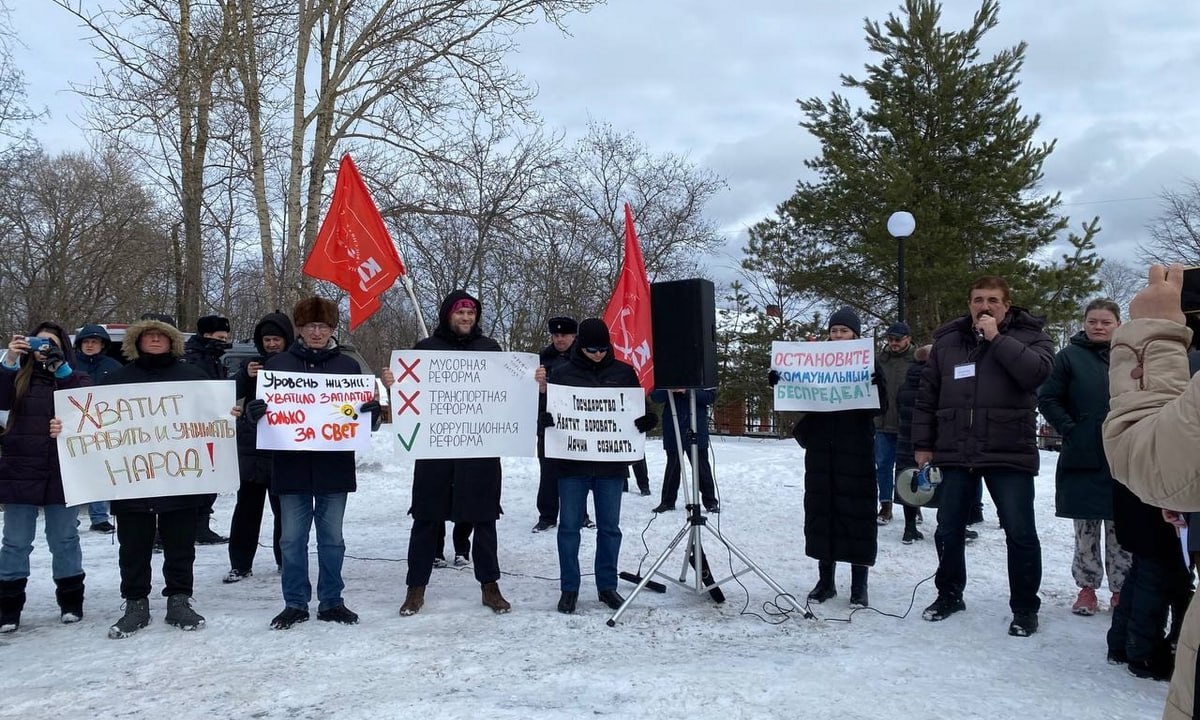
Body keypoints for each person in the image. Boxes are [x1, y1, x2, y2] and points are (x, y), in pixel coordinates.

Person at [912, 276, 1053, 636]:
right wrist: (923, 445)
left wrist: (996, 339)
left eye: (992, 300)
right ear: (969, 303)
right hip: (956, 448)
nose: (984, 306)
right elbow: (928, 396)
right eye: (977, 299)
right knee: (948, 527)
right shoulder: (948, 342)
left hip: (1008, 449)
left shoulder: (1030, 336)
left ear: (1006, 305)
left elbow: (1036, 375)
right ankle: (949, 594)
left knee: (1020, 532)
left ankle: (1024, 607)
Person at [1102, 263, 1200, 716]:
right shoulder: (1074, 357)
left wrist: (1150, 337)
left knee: (1161, 571)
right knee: (1150, 567)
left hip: (1165, 481)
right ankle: (1131, 645)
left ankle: (1140, 647)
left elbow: (1155, 456)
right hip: (1157, 495)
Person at [251, 297, 377, 629]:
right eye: (310, 326)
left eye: (323, 326)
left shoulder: (348, 367)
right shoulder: (277, 366)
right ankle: (295, 602)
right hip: (290, 467)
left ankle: (332, 600)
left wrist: (371, 414)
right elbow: (262, 414)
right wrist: (254, 415)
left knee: (332, 538)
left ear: (332, 329)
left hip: (333, 468)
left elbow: (362, 414)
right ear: (300, 329)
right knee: (291, 539)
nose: (317, 332)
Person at [389, 290, 511, 616]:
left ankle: (490, 587)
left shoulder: (490, 350)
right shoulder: (426, 350)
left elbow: (509, 392)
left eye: (471, 313)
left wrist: (533, 380)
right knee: (426, 520)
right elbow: (409, 393)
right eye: (460, 313)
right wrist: (394, 381)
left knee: (484, 521)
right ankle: (415, 590)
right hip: (435, 453)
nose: (466, 318)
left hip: (480, 452)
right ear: (448, 316)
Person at [100, 317, 216, 638]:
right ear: (136, 341)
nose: (154, 340)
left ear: (172, 341)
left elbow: (212, 420)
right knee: (133, 547)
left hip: (181, 477)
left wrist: (226, 415)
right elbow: (95, 424)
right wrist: (65, 427)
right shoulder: (117, 380)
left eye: (160, 335)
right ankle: (136, 603)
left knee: (180, 545)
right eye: (147, 335)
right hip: (132, 481)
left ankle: (179, 600)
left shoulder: (193, 377)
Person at [537, 318, 657, 613]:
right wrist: (546, 419)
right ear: (582, 346)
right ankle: (570, 588)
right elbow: (546, 412)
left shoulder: (624, 373)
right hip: (572, 465)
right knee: (568, 528)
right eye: (592, 349)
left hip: (610, 467)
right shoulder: (562, 374)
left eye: (603, 349)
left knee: (609, 528)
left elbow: (641, 409)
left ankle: (607, 586)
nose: (598, 354)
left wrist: (647, 420)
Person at [777, 307, 882, 608]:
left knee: (857, 518)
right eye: (834, 330)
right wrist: (781, 381)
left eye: (844, 331)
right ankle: (826, 582)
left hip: (856, 453)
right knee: (823, 517)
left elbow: (881, 406)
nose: (838, 336)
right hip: (822, 454)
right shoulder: (818, 363)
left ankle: (859, 585)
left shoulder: (868, 363)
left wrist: (876, 383)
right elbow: (800, 394)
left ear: (855, 335)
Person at [1037, 298, 1131, 616]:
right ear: (1084, 323)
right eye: (1093, 321)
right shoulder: (1068, 358)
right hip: (1083, 453)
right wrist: (1071, 428)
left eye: (1105, 321)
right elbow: (1048, 397)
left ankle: (1121, 590)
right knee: (1086, 528)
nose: (1099, 326)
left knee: (1122, 526)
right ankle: (1087, 588)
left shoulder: (1130, 355)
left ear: (1118, 323)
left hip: (1124, 454)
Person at [0, 323, 92, 632]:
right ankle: (9, 608)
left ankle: (70, 601)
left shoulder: (73, 377)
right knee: (15, 542)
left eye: (51, 344)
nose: (44, 349)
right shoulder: (16, 377)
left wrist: (61, 369)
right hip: (20, 471)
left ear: (63, 348)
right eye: (39, 342)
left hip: (63, 473)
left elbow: (87, 408)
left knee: (64, 539)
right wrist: (10, 360)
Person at [223, 312, 293, 583]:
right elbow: (226, 394)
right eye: (267, 339)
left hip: (284, 446)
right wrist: (244, 374)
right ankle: (240, 564)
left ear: (286, 340)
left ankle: (285, 559)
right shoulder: (251, 366)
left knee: (285, 511)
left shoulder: (295, 365)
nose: (272, 344)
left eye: (276, 339)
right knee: (247, 509)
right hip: (252, 447)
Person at [532, 316, 595, 531]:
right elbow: (528, 392)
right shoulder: (541, 359)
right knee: (548, 471)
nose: (559, 339)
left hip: (576, 425)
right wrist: (541, 409)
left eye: (564, 335)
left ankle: (581, 513)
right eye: (555, 335)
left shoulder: (584, 358)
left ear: (573, 336)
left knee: (578, 471)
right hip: (548, 425)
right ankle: (547, 515)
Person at [183, 314, 232, 545]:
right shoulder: (192, 359)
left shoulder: (213, 359)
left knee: (211, 479)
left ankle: (201, 526)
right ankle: (169, 531)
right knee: (191, 483)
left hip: (213, 427)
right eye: (220, 337)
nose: (224, 341)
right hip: (193, 429)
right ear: (207, 336)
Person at [73, 324, 123, 533]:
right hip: (73, 426)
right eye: (86, 341)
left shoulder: (113, 366)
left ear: (102, 344)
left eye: (94, 341)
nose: (90, 345)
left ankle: (100, 517)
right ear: (80, 344)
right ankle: (70, 518)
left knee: (100, 471)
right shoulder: (69, 364)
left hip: (104, 426)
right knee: (73, 473)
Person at [650, 387, 718, 513]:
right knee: (673, 466)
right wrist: (670, 389)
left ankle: (710, 502)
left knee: (701, 467)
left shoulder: (702, 373)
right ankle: (667, 501)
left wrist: (686, 391)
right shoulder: (666, 372)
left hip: (696, 425)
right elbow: (655, 396)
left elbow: (710, 397)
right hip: (673, 425)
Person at [873, 321, 915, 526]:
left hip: (908, 424)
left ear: (908, 339)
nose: (893, 343)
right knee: (883, 465)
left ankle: (912, 504)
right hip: (882, 422)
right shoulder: (879, 360)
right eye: (890, 339)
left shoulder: (917, 361)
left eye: (897, 339)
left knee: (908, 467)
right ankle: (886, 504)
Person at [894, 344, 933, 544]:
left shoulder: (905, 383)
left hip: (905, 439)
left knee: (907, 482)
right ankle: (946, 526)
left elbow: (899, 406)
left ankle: (909, 528)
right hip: (930, 442)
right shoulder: (935, 382)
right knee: (940, 482)